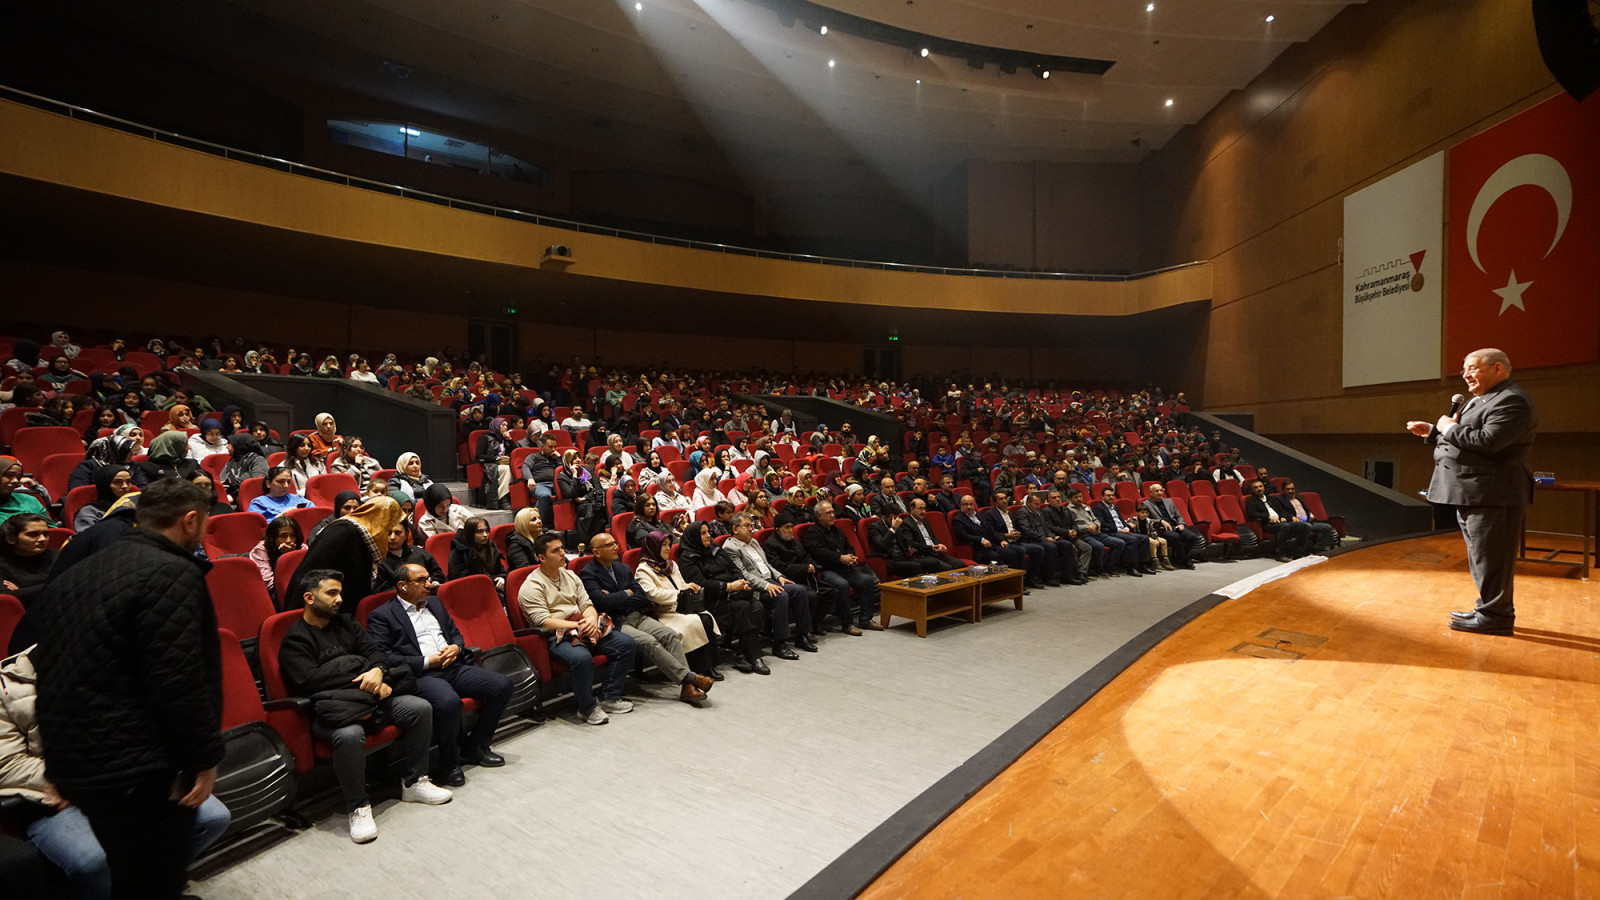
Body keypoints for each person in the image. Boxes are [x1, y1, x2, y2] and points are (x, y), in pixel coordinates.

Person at [31, 477, 225, 898]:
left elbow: (48, 674)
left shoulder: (75, 574)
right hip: (139, 768)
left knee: (131, 876)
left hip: (83, 762)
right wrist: (204, 757)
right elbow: (178, 680)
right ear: (191, 520)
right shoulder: (172, 572)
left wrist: (58, 765)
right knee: (152, 882)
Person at [278, 568, 451, 843]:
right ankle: (358, 806)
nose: (339, 599)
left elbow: (375, 652)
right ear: (309, 598)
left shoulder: (346, 623)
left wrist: (378, 671)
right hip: (335, 712)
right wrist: (366, 679)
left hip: (372, 699)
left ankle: (415, 782)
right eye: (331, 593)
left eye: (340, 593)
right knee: (350, 735)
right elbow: (310, 681)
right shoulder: (296, 639)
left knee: (419, 708)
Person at [1404, 349, 1537, 635]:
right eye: (1464, 369)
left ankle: (1496, 617)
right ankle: (1489, 610)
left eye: (1472, 368)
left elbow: (1489, 441)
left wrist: (1447, 428)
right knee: (1483, 558)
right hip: (1474, 492)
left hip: (1493, 494)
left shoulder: (1511, 400)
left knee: (1493, 560)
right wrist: (1433, 432)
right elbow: (1465, 439)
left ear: (1497, 369)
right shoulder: (1482, 400)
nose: (1465, 375)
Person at [366, 563, 512, 787]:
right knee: (448, 702)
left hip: (453, 666)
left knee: (502, 685)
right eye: (421, 580)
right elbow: (384, 656)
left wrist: (456, 647)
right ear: (402, 586)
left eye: (428, 578)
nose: (429, 584)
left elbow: (455, 634)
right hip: (422, 674)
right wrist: (427, 661)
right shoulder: (382, 615)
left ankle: (476, 746)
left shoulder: (435, 603)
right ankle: (449, 764)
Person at [516, 532, 639, 725]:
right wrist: (580, 625)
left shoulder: (570, 575)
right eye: (555, 551)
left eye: (562, 548)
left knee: (626, 644)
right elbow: (543, 621)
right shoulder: (531, 586)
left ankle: (608, 697)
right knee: (581, 658)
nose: (562, 553)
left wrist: (591, 621)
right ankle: (586, 708)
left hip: (582, 626)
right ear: (541, 557)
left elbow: (586, 604)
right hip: (555, 636)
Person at [580, 533, 713, 704]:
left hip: (637, 615)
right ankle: (691, 679)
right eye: (609, 545)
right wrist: (627, 593)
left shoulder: (623, 569)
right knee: (649, 641)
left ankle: (687, 686)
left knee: (669, 634)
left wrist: (618, 597)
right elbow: (603, 603)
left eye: (615, 543)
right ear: (596, 552)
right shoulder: (588, 574)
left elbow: (641, 596)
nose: (615, 547)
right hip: (615, 622)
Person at [722, 512, 816, 657]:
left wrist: (779, 576)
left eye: (751, 526)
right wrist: (766, 586)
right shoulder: (730, 548)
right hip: (755, 588)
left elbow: (767, 564)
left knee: (799, 591)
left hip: (771, 580)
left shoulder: (753, 542)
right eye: (746, 526)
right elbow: (744, 574)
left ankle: (802, 636)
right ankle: (779, 644)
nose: (751, 529)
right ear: (735, 529)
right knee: (781, 596)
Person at [632, 531, 722, 680]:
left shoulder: (671, 564)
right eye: (664, 545)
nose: (668, 548)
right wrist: (679, 593)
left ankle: (711, 664)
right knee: (691, 624)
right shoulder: (643, 570)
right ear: (654, 547)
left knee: (706, 617)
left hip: (681, 606)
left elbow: (680, 584)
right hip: (663, 611)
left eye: (669, 544)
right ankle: (697, 668)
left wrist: (689, 586)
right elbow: (652, 594)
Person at [288, 496, 404, 612]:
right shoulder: (342, 529)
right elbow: (315, 566)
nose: (389, 533)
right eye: (389, 524)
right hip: (317, 605)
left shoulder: (367, 537)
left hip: (345, 604)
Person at [802, 501, 882, 634]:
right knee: (842, 585)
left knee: (868, 581)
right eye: (828, 513)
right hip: (827, 570)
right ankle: (847, 623)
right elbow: (818, 552)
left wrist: (851, 556)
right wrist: (839, 558)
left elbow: (848, 546)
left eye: (833, 512)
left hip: (845, 568)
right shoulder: (812, 533)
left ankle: (865, 619)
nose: (832, 515)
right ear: (819, 516)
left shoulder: (837, 530)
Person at [1243, 479, 1310, 562]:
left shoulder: (1270, 498)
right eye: (1256, 487)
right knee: (1285, 527)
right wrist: (1268, 517)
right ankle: (1280, 554)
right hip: (1267, 524)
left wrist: (1284, 517)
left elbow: (1281, 510)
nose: (1259, 489)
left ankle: (1299, 553)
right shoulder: (1250, 500)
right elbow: (1252, 513)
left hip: (1280, 522)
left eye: (1260, 486)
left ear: (1263, 487)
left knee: (1304, 526)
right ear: (1252, 490)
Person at [1140, 484, 1204, 569]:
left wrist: (1181, 524)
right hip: (1161, 528)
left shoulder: (1169, 501)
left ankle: (1180, 558)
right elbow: (1144, 518)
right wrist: (1160, 521)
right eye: (1157, 491)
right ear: (1151, 493)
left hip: (1175, 526)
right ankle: (1185, 560)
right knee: (1175, 537)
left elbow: (1178, 515)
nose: (1159, 492)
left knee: (1192, 537)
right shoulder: (1146, 504)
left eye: (1161, 490)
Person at [0, 514, 56, 608]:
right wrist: (57, 584)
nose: (43, 539)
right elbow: (6, 598)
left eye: (45, 534)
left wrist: (21, 592)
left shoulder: (58, 555)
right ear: (11, 539)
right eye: (33, 534)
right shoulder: (2, 565)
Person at [250, 514, 306, 601]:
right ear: (274, 537)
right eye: (283, 536)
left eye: (293, 536)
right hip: (273, 594)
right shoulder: (261, 549)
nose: (289, 540)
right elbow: (269, 584)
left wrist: (294, 556)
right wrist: (286, 558)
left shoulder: (302, 547)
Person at [445, 515, 507, 593]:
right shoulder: (458, 552)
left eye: (487, 531)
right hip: (467, 591)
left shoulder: (491, 547)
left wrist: (501, 578)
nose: (485, 535)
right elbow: (464, 579)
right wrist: (493, 580)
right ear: (470, 534)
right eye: (480, 532)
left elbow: (500, 571)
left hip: (491, 587)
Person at [1278, 480, 1340, 553]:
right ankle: (1300, 551)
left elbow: (1306, 510)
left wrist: (1311, 515)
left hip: (1308, 522)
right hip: (1295, 524)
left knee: (1327, 527)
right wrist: (1291, 517)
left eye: (1292, 489)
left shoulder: (1298, 497)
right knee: (1307, 526)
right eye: (1288, 489)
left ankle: (1318, 549)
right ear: (1283, 490)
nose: (1291, 491)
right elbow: (1280, 512)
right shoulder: (1280, 499)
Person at [73, 465, 136, 533]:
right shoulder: (90, 512)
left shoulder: (134, 506)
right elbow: (88, 537)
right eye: (117, 482)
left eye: (128, 481)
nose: (125, 486)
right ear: (105, 485)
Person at [0, 457, 53, 528]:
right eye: (9, 475)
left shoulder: (30, 500)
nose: (15, 481)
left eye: (18, 477)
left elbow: (52, 530)